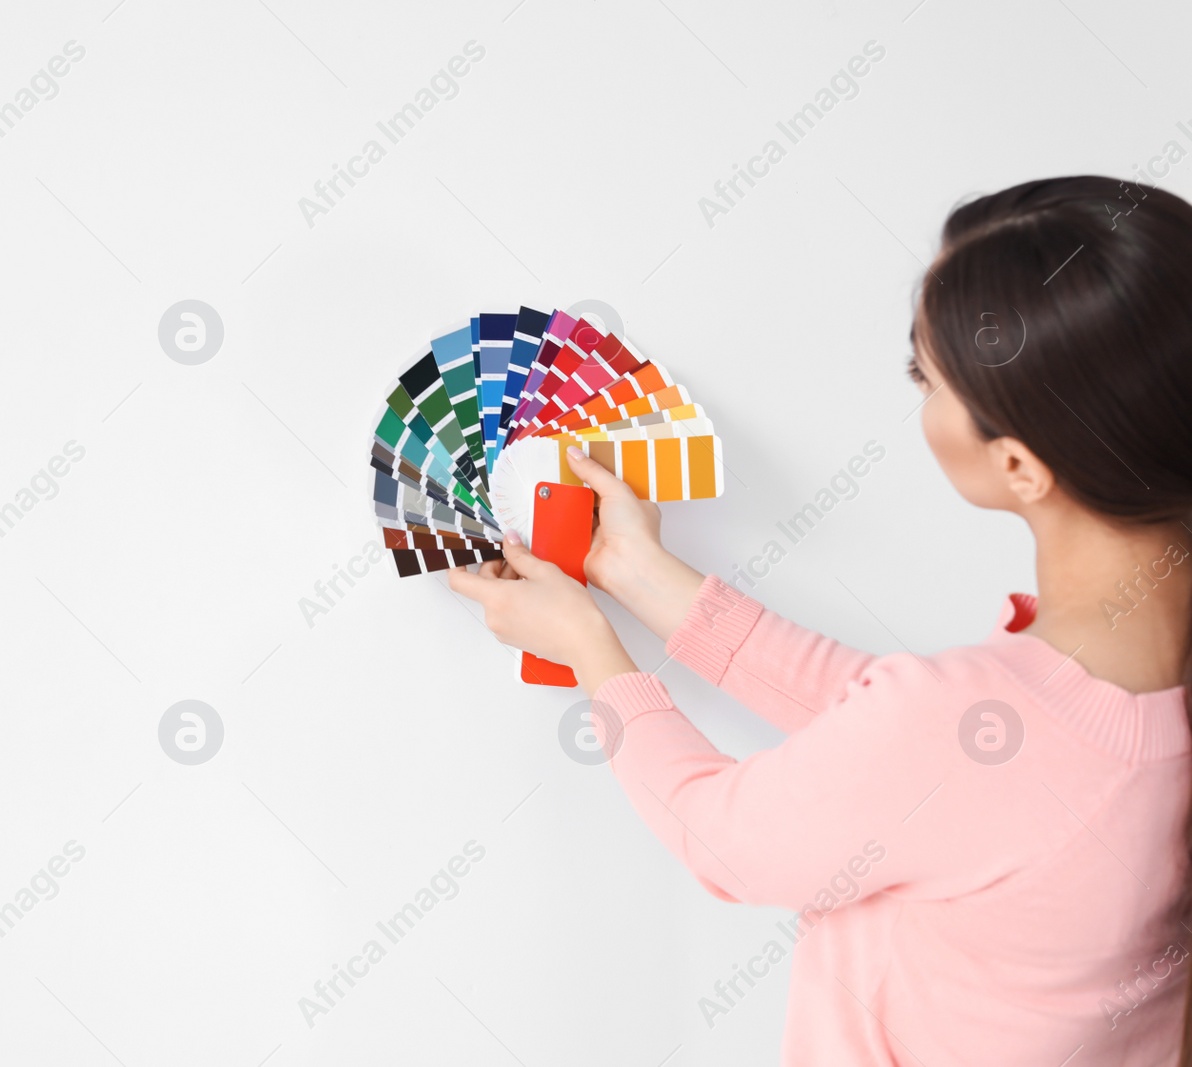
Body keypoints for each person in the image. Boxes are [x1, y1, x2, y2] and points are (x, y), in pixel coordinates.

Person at [450, 176, 1192, 1065]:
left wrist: (586, 648)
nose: (919, 401)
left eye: (928, 377)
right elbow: (905, 742)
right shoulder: (1135, 692)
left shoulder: (969, 722)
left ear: (1020, 463)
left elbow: (723, 837)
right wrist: (642, 575)